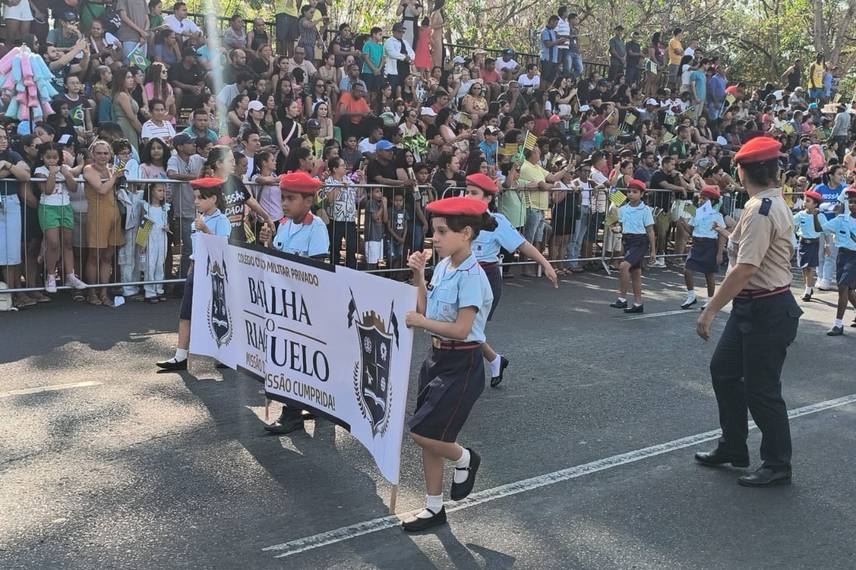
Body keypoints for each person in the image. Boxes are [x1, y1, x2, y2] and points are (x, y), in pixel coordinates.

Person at [695, 136, 802, 487]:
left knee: (761, 389)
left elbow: (745, 268)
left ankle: (777, 464)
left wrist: (710, 309)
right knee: (724, 371)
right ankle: (733, 446)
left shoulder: (761, 209)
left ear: (743, 171)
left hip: (766, 308)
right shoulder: (763, 203)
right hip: (752, 307)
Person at [400, 196, 496, 532]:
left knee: (422, 432)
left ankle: (466, 458)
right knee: (430, 434)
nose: (434, 238)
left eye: (442, 231)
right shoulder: (443, 266)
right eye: (434, 231)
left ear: (466, 233)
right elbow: (427, 310)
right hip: (437, 358)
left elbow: (461, 328)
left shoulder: (472, 274)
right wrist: (418, 276)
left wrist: (420, 322)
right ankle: (433, 507)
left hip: (462, 363)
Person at [464, 173, 558, 386]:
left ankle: (468, 380)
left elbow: (522, 245)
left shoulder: (497, 222)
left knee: (466, 330)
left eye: (474, 193)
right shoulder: (461, 218)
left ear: (488, 198)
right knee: (466, 329)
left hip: (485, 280)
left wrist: (546, 264)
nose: (468, 196)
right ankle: (495, 360)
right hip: (462, 277)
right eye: (467, 191)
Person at [259, 171, 330, 434]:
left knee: (299, 359)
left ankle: (293, 413)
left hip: (306, 304)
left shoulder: (317, 227)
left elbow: (317, 269)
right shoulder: (284, 225)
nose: (285, 203)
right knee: (291, 358)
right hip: (284, 302)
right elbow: (277, 257)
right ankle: (301, 407)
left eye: (291, 198)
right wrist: (267, 243)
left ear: (308, 201)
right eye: (283, 198)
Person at [156, 177, 231, 371]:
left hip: (214, 274)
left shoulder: (221, 220)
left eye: (201, 198)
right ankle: (180, 354)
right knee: (186, 313)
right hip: (197, 270)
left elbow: (222, 247)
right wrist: (191, 265)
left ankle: (223, 353)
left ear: (214, 199)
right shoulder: (199, 219)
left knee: (214, 314)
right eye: (195, 197)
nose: (196, 201)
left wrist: (205, 229)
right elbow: (197, 249)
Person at [35, 142, 87, 294]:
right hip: (48, 207)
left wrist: (67, 173)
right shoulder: (39, 170)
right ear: (42, 157)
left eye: (55, 157)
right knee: (53, 243)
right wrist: (52, 173)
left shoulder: (64, 169)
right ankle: (51, 276)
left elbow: (73, 187)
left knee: (68, 242)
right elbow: (48, 190)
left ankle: (70, 274)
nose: (52, 160)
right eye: (48, 157)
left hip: (65, 206)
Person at [608, 179, 656, 313]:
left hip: (640, 241)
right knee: (636, 273)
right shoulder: (623, 209)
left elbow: (650, 231)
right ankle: (638, 303)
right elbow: (617, 224)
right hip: (627, 240)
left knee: (623, 266)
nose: (630, 194)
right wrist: (614, 227)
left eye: (635, 192)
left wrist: (653, 250)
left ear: (641, 194)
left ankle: (622, 299)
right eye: (629, 191)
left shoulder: (645, 210)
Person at [679, 185, 726, 309]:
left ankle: (710, 300)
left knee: (709, 274)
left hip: (710, 245)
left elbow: (721, 235)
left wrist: (719, 253)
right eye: (700, 198)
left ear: (713, 201)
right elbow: (691, 231)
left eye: (704, 199)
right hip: (697, 244)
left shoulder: (717, 216)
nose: (701, 201)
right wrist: (683, 222)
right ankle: (691, 296)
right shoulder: (696, 214)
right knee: (687, 269)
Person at [819, 187, 856, 335]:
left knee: (842, 287)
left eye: (855, 202)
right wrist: (817, 215)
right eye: (851, 202)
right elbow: (820, 228)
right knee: (848, 290)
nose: (852, 205)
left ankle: (838, 324)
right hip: (843, 256)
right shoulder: (841, 219)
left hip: (855, 257)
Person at [139, 182, 169, 302]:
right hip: (150, 237)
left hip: (161, 237)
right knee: (150, 264)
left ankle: (159, 289)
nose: (162, 193)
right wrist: (142, 242)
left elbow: (167, 222)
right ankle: (149, 291)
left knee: (160, 264)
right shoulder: (146, 207)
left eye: (164, 191)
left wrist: (167, 226)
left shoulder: (165, 207)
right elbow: (143, 225)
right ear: (152, 191)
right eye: (159, 190)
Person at [792, 189, 824, 301]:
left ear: (815, 204)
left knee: (810, 267)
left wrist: (827, 245)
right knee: (803, 268)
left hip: (813, 244)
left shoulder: (820, 216)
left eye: (808, 201)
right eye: (805, 200)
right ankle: (809, 288)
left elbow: (825, 230)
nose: (805, 203)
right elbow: (791, 222)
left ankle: (807, 291)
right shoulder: (801, 214)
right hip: (802, 244)